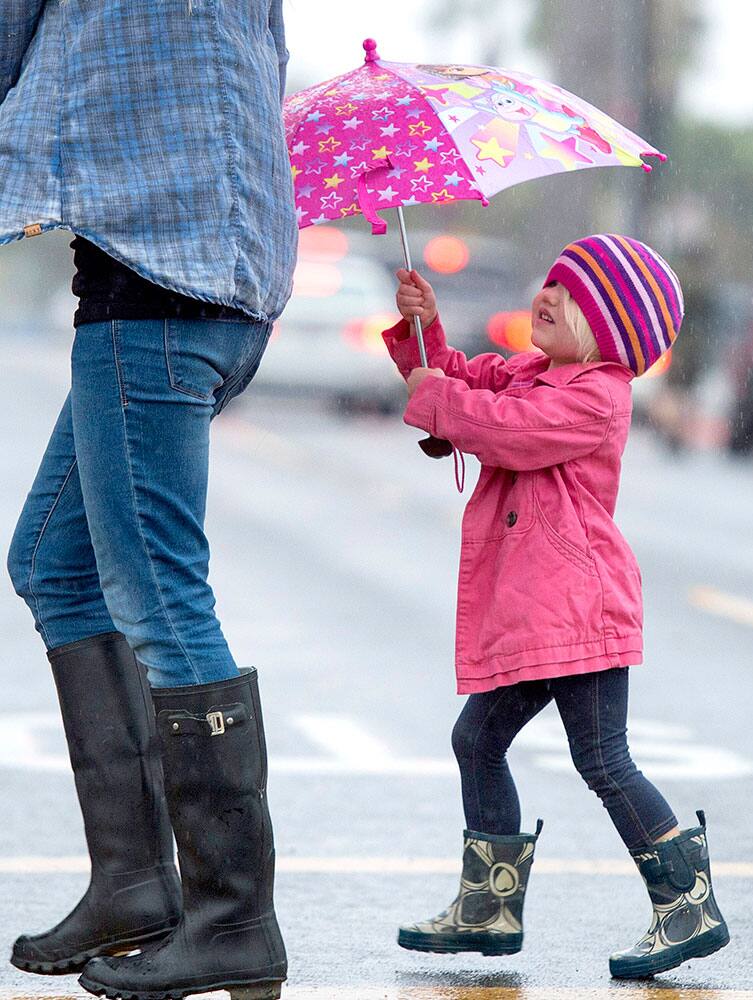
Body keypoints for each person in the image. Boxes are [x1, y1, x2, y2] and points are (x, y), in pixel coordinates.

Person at [2, 3, 296, 999]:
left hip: (154, 291)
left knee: (161, 598)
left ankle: (234, 922)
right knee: (54, 562)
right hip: (218, 277)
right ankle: (131, 882)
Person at [381, 235, 730, 979]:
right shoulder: (536, 371)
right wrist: (424, 331)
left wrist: (436, 397)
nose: (546, 296)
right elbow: (463, 379)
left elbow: (499, 429)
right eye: (551, 281)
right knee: (477, 742)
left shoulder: (593, 397)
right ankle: (488, 906)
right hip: (538, 611)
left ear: (607, 333)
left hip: (580, 610)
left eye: (569, 298)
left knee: (602, 758)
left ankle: (687, 903)